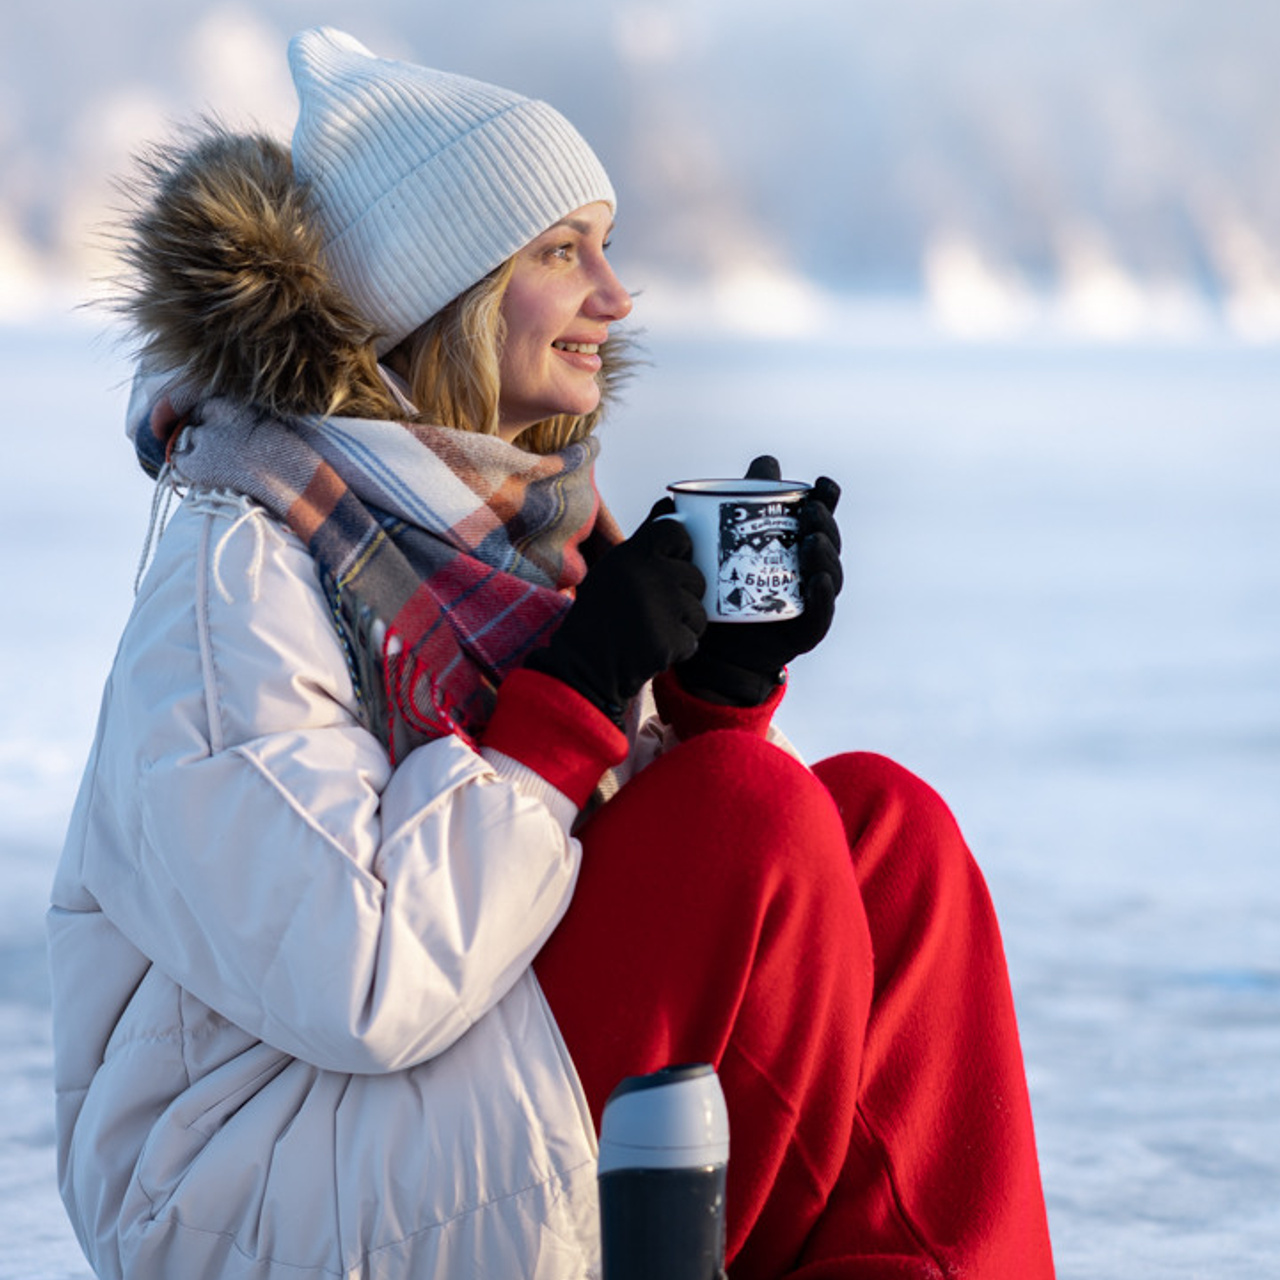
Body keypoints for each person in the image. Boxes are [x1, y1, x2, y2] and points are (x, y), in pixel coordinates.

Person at [48, 26, 1056, 1280]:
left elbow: (638, 859)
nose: (615, 297)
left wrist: (712, 693)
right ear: (446, 293)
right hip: (258, 1178)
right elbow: (362, 976)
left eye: (608, 246)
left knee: (882, 832)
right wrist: (577, 692)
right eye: (560, 251)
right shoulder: (238, 576)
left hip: (447, 1087)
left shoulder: (511, 531)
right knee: (748, 818)